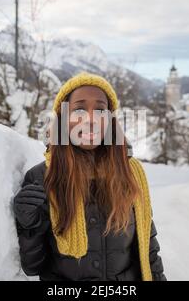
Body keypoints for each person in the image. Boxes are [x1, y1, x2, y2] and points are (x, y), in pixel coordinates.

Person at [13, 72, 166, 281]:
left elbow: (149, 251)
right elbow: (33, 267)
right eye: (79, 109)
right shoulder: (42, 178)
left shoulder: (130, 174)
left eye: (101, 110)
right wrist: (29, 224)